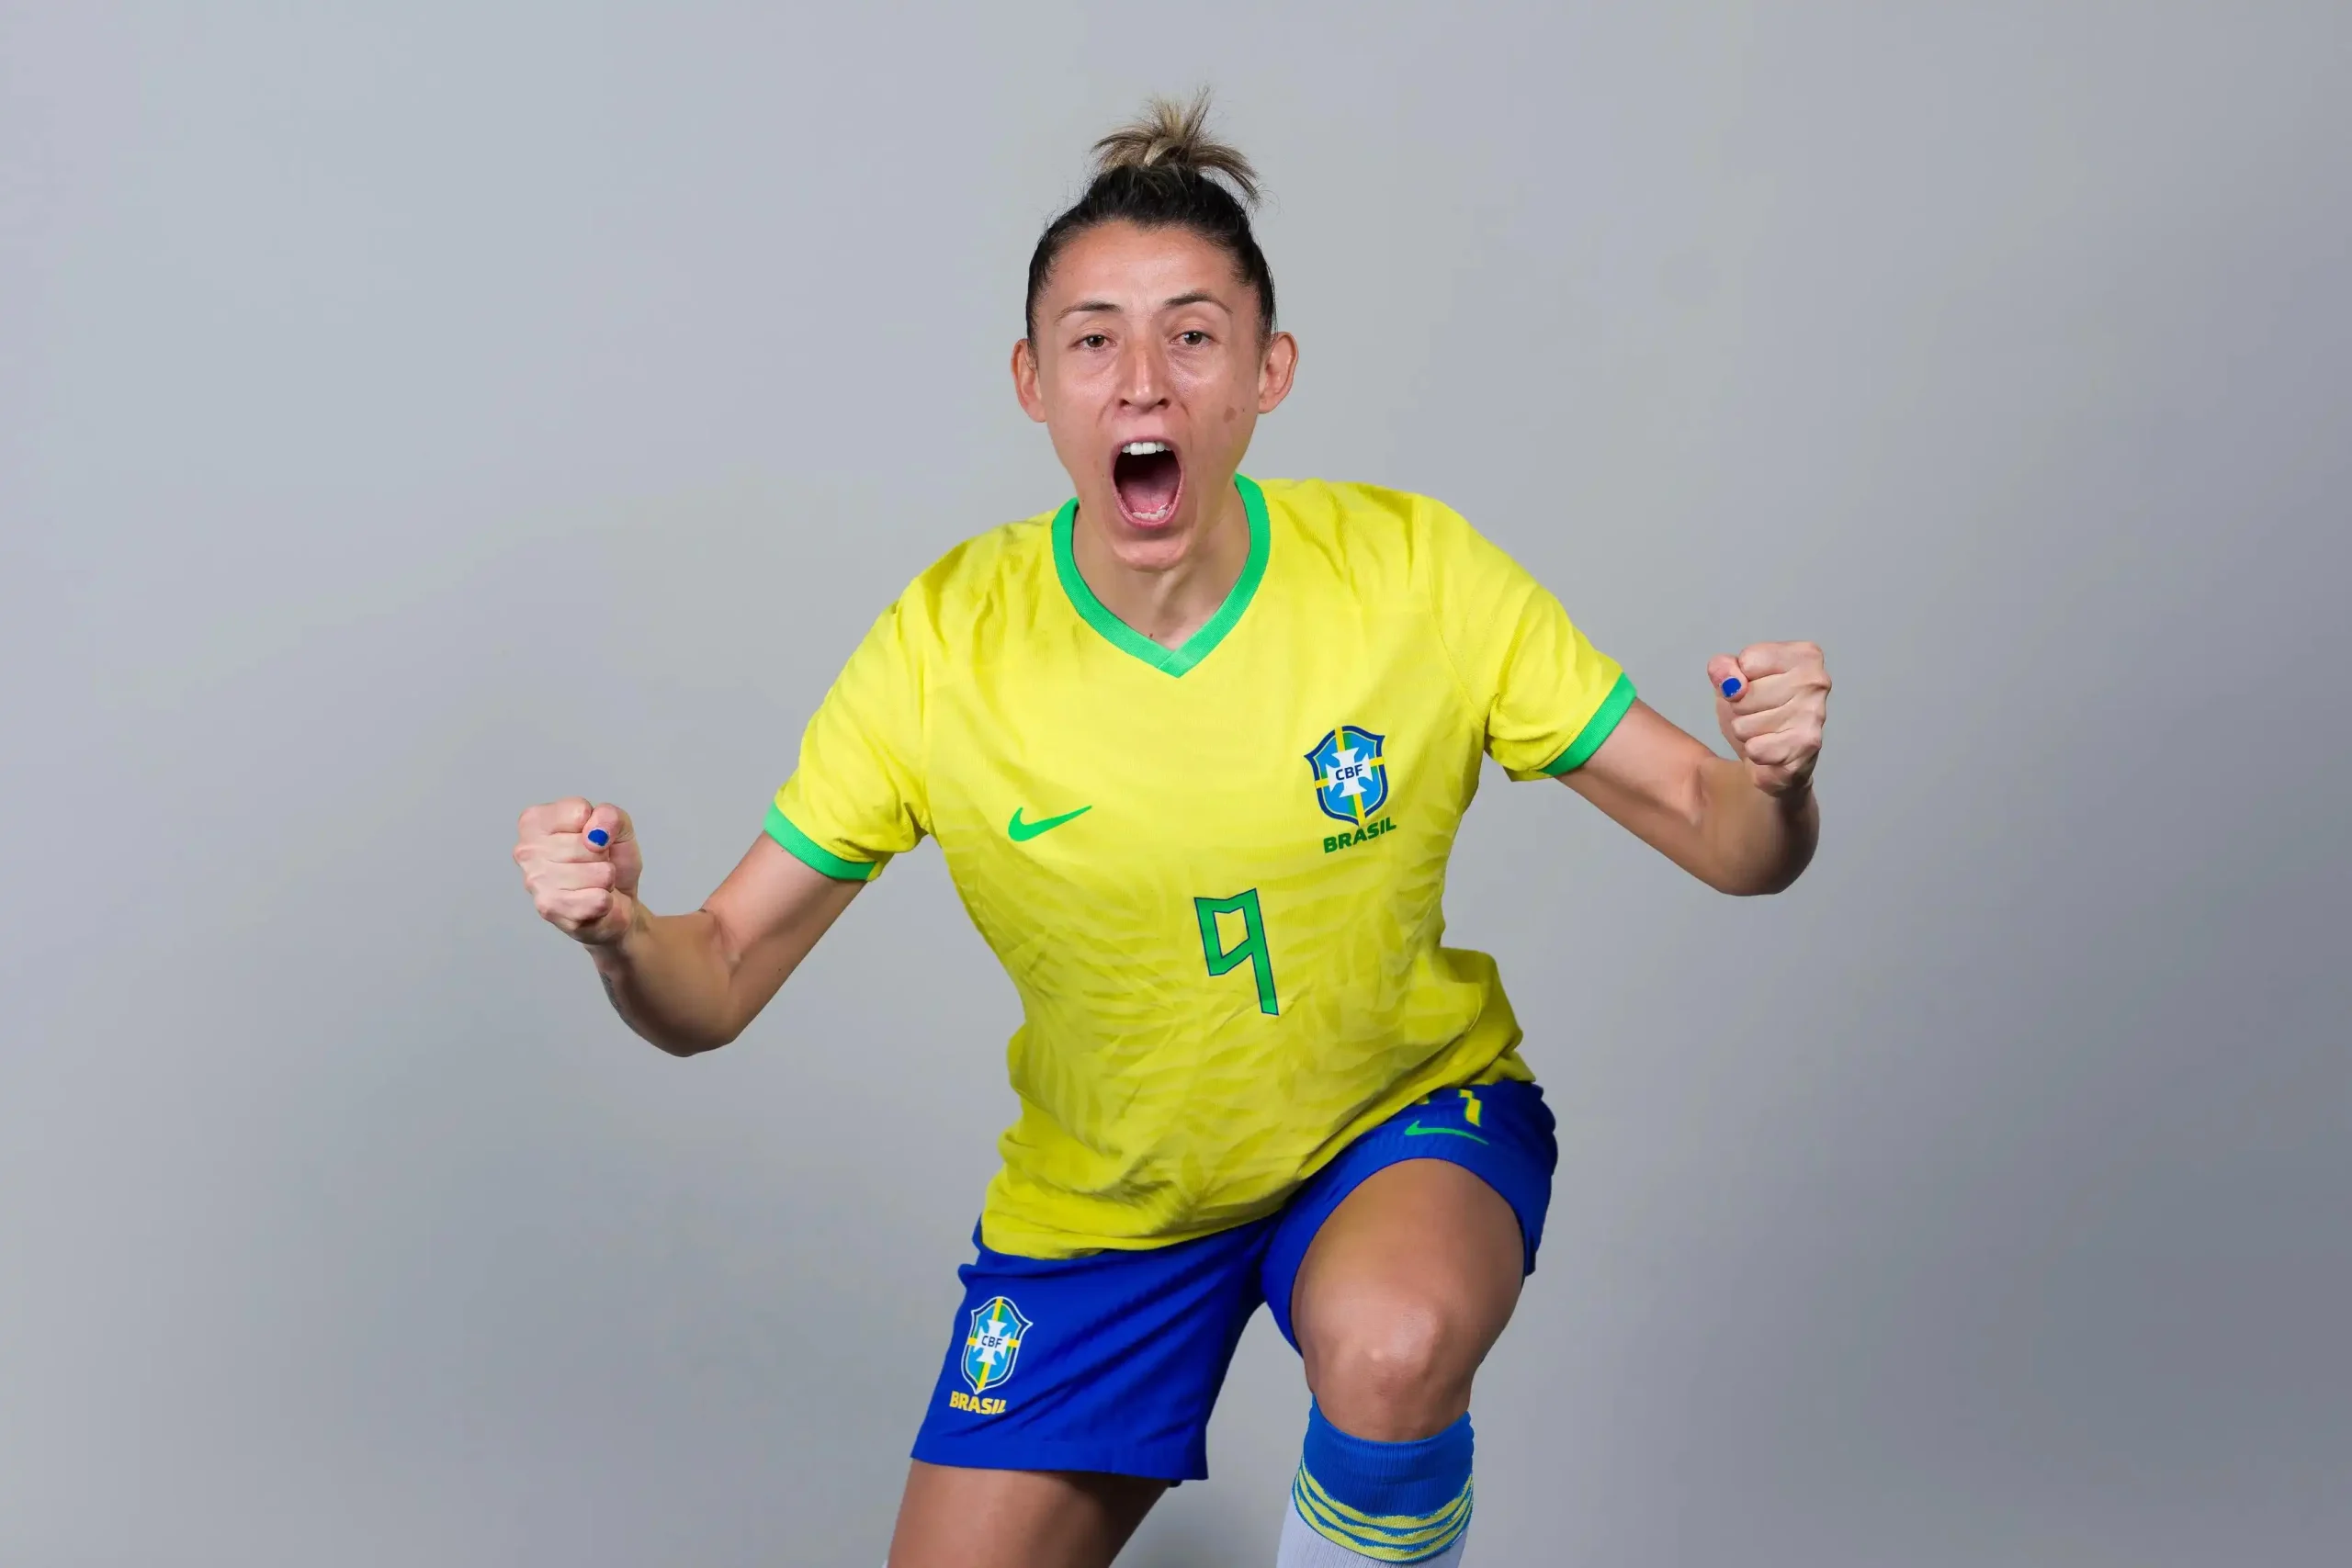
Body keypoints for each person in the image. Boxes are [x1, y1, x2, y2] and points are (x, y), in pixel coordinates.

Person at [513, 93, 1831, 1568]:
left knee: (1391, 1341)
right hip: (1109, 1205)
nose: (1143, 380)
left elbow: (1723, 835)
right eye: (1093, 341)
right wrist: (622, 932)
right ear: (1032, 381)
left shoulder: (1415, 576)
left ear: (1268, 371)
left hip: (1396, 1125)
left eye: (1193, 336)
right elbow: (715, 980)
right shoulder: (944, 646)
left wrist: (1774, 782)